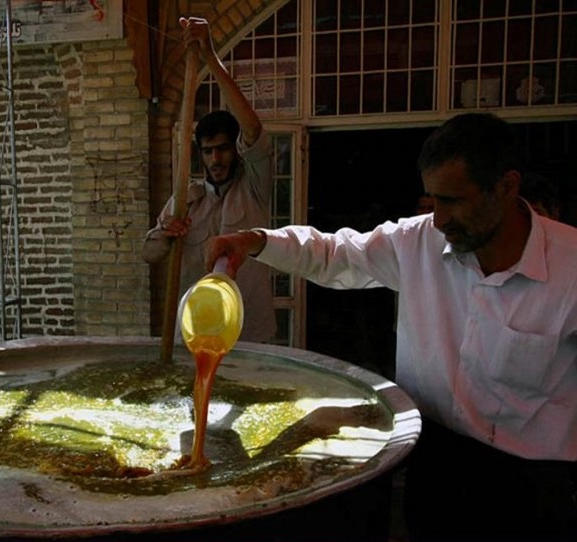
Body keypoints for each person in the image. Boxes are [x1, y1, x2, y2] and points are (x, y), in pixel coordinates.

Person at [204, 113, 577, 541]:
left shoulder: (570, 268)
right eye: (432, 200)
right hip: (432, 463)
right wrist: (255, 241)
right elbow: (335, 255)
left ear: (507, 187)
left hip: (531, 486)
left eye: (453, 201)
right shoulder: (419, 242)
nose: (439, 219)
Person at [142, 16, 276, 344]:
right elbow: (149, 254)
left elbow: (253, 130)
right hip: (195, 332)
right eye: (208, 151)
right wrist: (167, 233)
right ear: (200, 153)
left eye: (223, 149)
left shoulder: (254, 189)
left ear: (236, 149)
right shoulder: (186, 198)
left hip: (248, 334)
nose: (215, 159)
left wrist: (211, 59)